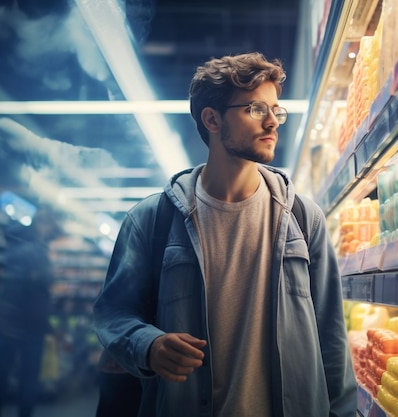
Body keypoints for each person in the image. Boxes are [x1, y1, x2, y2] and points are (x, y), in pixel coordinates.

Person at [93, 52, 357, 417]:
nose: (272, 123)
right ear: (212, 119)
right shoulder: (152, 220)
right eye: (255, 109)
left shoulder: (302, 218)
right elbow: (113, 314)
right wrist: (148, 345)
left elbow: (331, 336)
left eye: (276, 110)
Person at [0, 206, 59, 417]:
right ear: (42, 223)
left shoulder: (18, 248)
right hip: (27, 325)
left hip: (8, 322)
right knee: (27, 378)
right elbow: (40, 282)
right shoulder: (35, 251)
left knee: (0, 375)